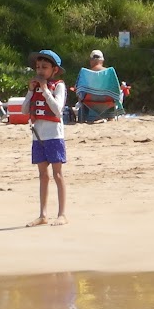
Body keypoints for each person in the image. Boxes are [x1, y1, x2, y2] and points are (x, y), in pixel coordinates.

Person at [24, 50, 68, 226]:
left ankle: (62, 214)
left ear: (54, 70)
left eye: (44, 67)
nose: (40, 71)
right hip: (38, 137)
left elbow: (58, 109)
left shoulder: (59, 86)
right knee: (43, 175)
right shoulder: (34, 87)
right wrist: (30, 91)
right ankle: (43, 215)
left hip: (54, 136)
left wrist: (45, 90)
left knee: (57, 174)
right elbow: (25, 110)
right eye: (38, 67)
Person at [74, 49, 124, 122]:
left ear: (91, 61)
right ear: (102, 60)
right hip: (108, 102)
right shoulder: (109, 72)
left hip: (89, 103)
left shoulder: (85, 73)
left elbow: (77, 89)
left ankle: (87, 116)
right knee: (119, 93)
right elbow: (116, 90)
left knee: (81, 94)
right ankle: (111, 117)